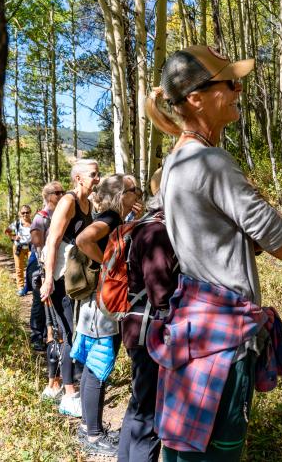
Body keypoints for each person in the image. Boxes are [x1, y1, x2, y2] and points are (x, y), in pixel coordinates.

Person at [145, 45, 282, 461]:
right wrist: (279, 238)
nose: (237, 90)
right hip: (224, 335)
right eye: (229, 84)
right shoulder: (211, 161)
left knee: (185, 449)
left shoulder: (175, 164)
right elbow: (274, 231)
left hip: (193, 325)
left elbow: (211, 231)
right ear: (196, 98)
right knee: (221, 451)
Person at [72, 173, 141, 456]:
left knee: (93, 365)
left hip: (97, 304)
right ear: (120, 195)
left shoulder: (115, 219)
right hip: (103, 308)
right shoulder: (111, 218)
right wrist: (109, 265)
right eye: (133, 190)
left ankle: (91, 427)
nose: (137, 193)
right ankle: (94, 434)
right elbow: (84, 239)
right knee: (98, 367)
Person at [118, 168, 178, 462]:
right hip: (149, 332)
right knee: (150, 416)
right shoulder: (158, 230)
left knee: (139, 408)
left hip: (137, 326)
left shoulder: (147, 224)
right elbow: (160, 293)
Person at [40, 159, 101, 417]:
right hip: (59, 276)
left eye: (98, 174)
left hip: (75, 279)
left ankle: (59, 386)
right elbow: (52, 240)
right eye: (93, 175)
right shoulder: (68, 201)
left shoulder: (89, 203)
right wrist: (47, 279)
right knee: (65, 333)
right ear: (79, 178)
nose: (97, 178)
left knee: (72, 331)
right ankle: (68, 394)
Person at [28, 182, 64, 354]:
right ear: (49, 196)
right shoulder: (40, 217)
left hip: (58, 264)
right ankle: (36, 337)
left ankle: (50, 336)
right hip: (40, 264)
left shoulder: (62, 214)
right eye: (58, 192)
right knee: (39, 301)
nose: (62, 195)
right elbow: (37, 244)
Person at [5, 205, 33, 296]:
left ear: (30, 213)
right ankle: (21, 288)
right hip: (18, 248)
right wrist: (13, 237)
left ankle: (32, 286)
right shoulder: (16, 223)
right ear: (20, 213)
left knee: (33, 267)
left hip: (30, 248)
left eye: (27, 212)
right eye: (23, 212)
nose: (25, 214)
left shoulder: (34, 223)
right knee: (19, 268)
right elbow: (7, 231)